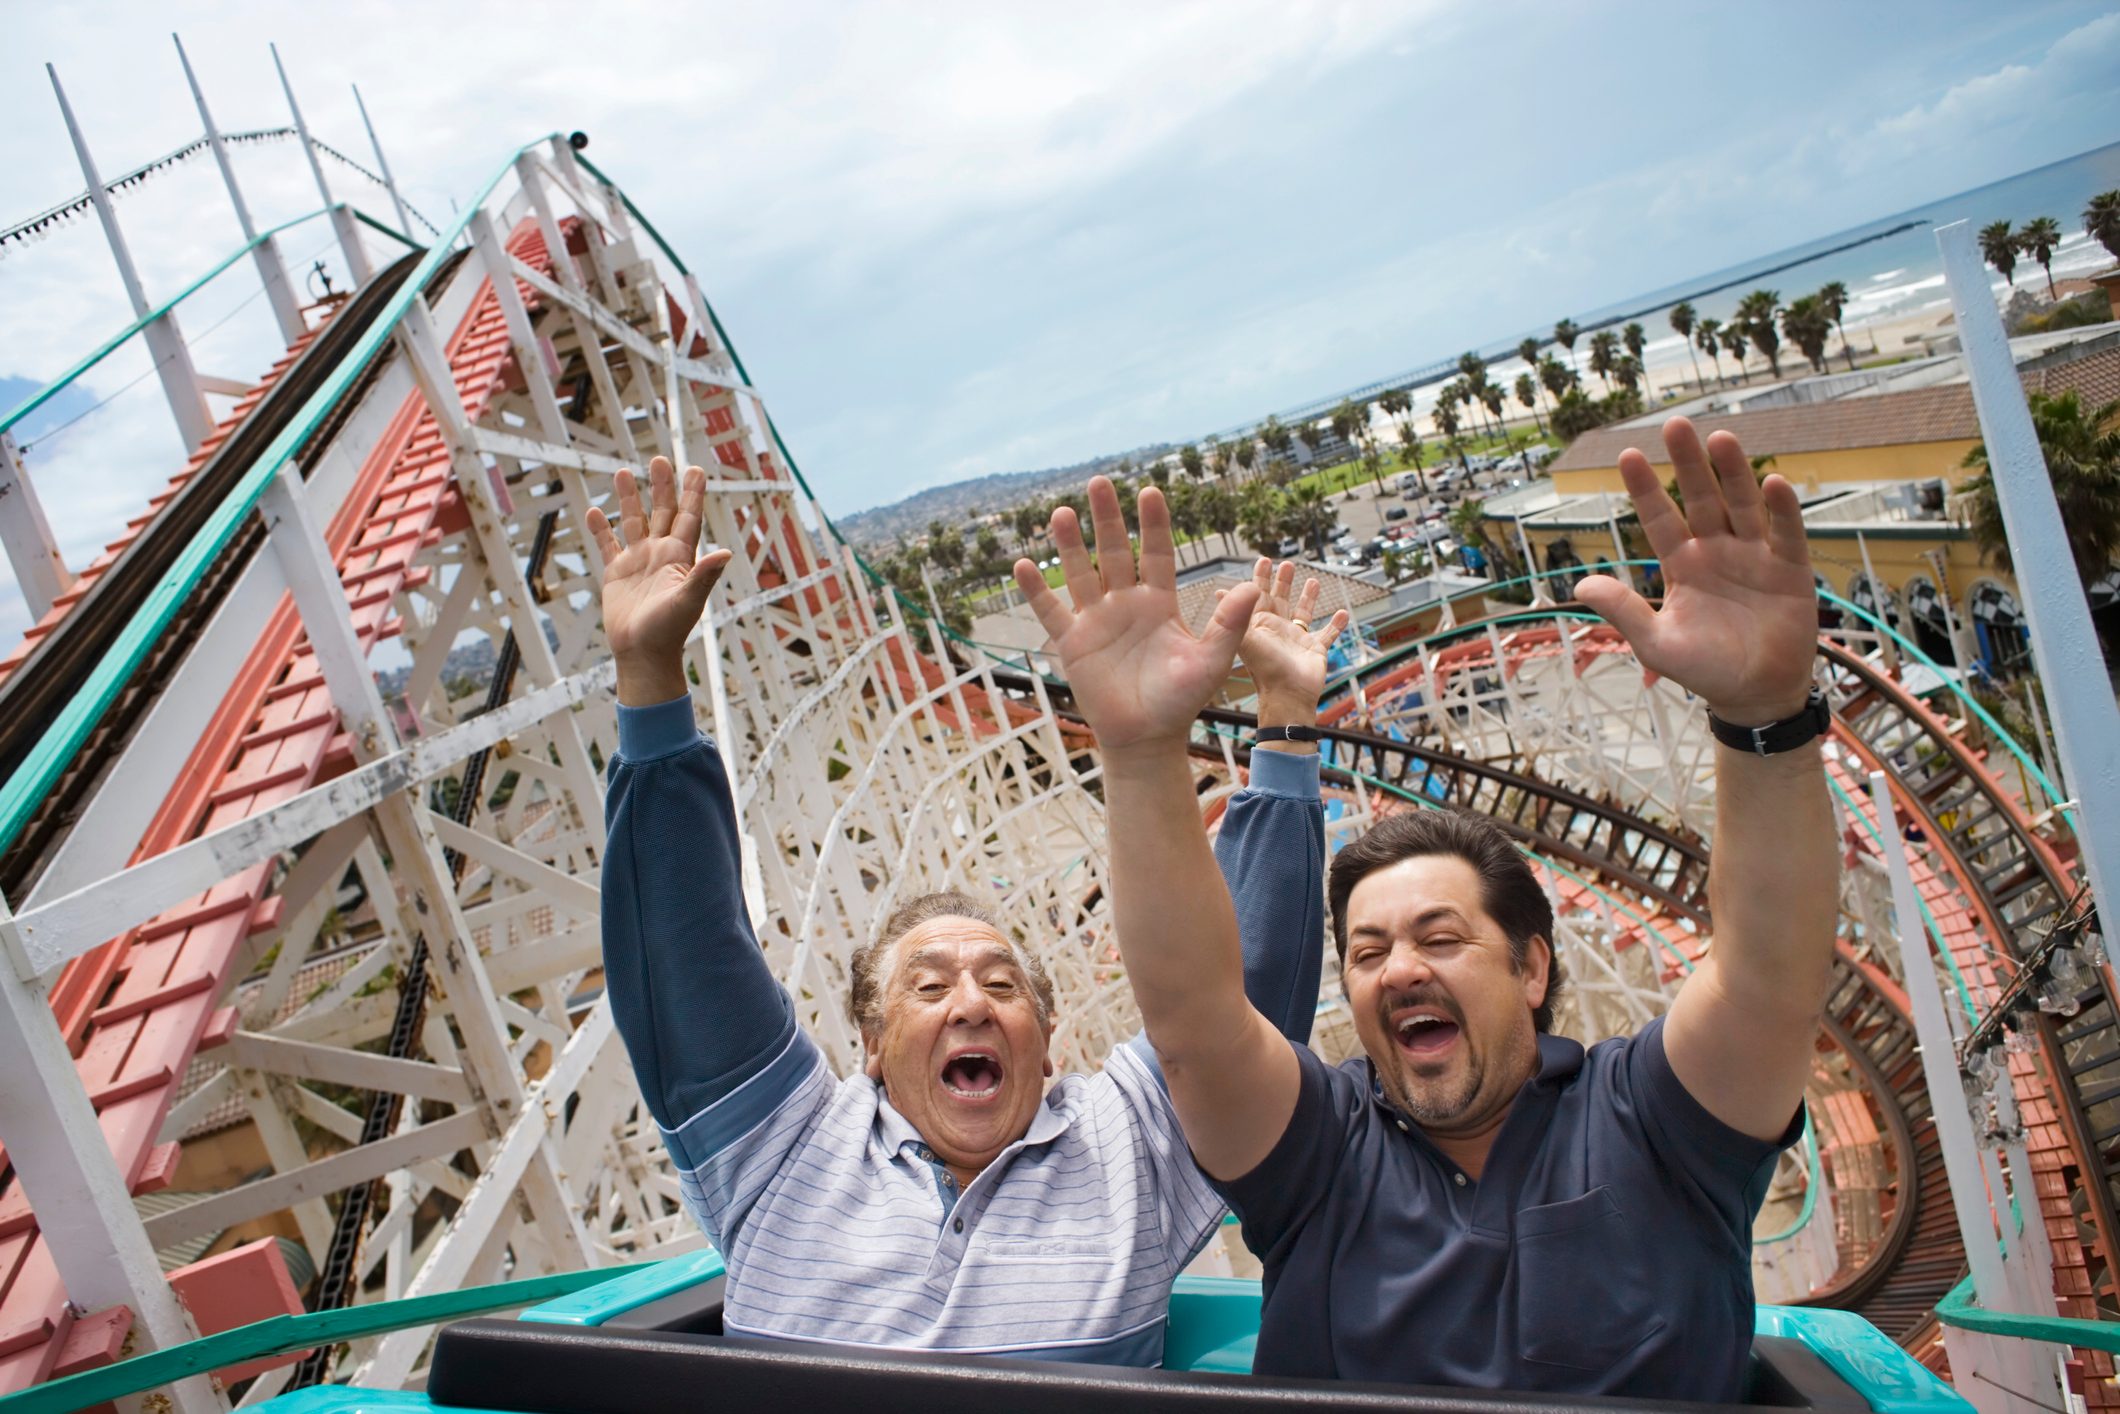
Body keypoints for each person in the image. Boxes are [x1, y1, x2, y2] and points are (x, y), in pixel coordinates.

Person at [1016, 418, 1834, 1400]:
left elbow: (1767, 972)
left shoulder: (1651, 1114)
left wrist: (1764, 721)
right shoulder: (1318, 1147)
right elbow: (1194, 1016)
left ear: (1530, 967)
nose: (1398, 967)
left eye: (1437, 935)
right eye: (1365, 953)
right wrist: (1142, 753)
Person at [588, 457, 1346, 1366]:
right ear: (869, 1046)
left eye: (1000, 982)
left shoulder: (1125, 1145)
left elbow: (1234, 1013)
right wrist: (647, 678)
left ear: (1049, 1033)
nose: (972, 1002)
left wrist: (1287, 718)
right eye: (928, 985)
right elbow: (686, 962)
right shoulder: (788, 1150)